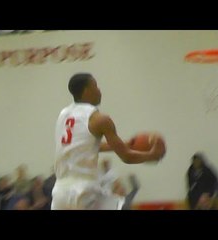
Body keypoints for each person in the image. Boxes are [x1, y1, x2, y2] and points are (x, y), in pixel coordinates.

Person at [51, 73, 165, 210]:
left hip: (59, 194)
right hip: (85, 193)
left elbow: (83, 146)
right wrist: (153, 155)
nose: (99, 90)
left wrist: (122, 144)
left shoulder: (63, 114)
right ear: (87, 91)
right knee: (123, 207)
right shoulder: (100, 119)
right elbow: (127, 157)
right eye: (95, 86)